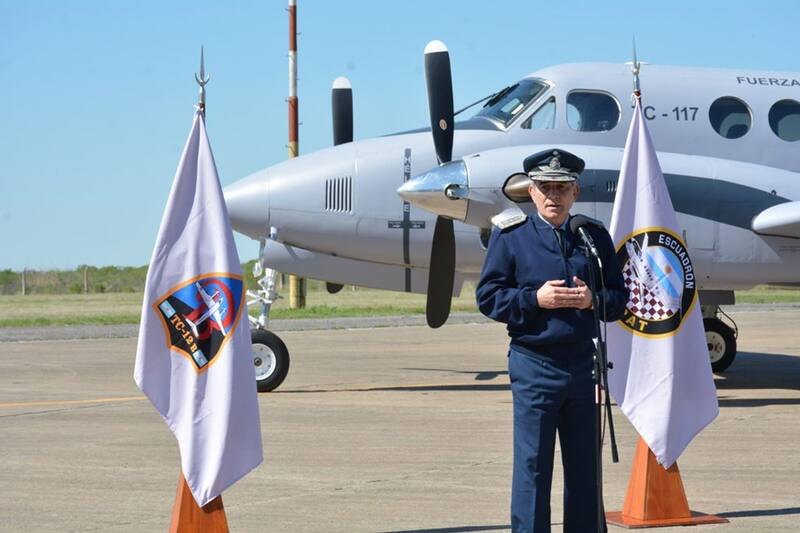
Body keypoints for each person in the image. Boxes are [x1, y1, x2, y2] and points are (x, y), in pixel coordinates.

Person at [475, 149, 627, 533]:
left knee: (584, 471)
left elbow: (619, 299)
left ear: (575, 191)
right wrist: (534, 299)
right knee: (533, 468)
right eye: (544, 187)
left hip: (581, 366)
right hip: (534, 365)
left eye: (561, 188)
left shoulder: (592, 237)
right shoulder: (511, 236)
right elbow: (489, 297)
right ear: (531, 191)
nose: (552, 196)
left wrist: (594, 299)